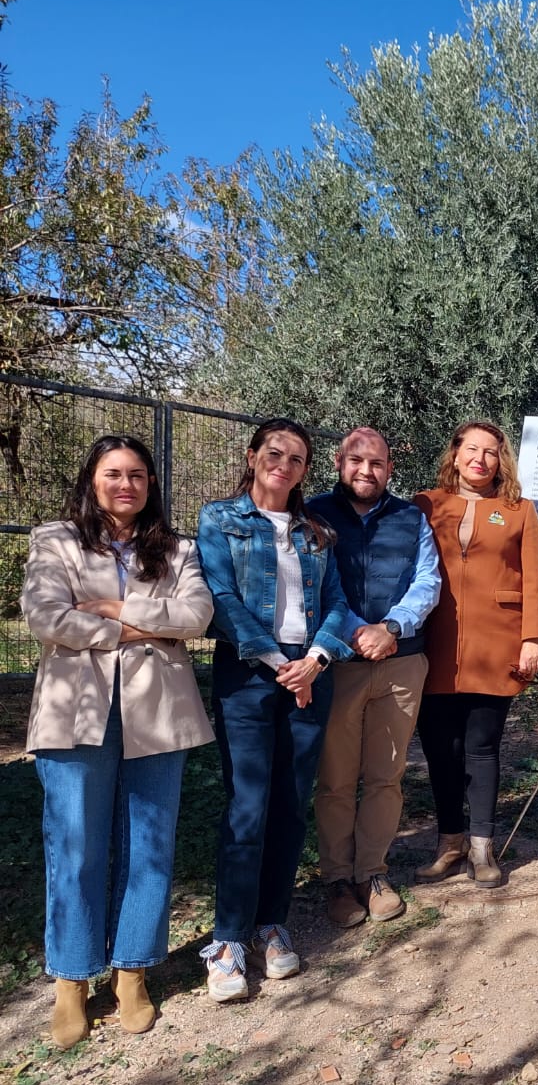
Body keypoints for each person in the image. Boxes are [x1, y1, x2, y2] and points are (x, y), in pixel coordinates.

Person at [22, 436, 215, 1047]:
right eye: (113, 474)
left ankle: (132, 971)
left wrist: (112, 608)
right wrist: (139, 625)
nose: (125, 484)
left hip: (158, 715)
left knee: (150, 845)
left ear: (151, 483)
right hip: (73, 716)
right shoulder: (55, 540)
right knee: (75, 846)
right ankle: (72, 981)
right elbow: (46, 616)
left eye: (137, 474)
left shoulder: (178, 548)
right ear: (93, 480)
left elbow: (198, 617)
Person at [197, 418, 351, 1002]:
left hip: (310, 674)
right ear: (253, 455)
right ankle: (229, 941)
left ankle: (272, 925)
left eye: (296, 459)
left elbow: (337, 602)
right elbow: (222, 599)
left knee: (290, 804)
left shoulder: (316, 531)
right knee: (247, 807)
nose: (283, 466)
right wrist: (276, 662)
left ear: (305, 470)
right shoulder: (220, 520)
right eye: (274, 454)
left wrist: (314, 659)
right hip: (249, 675)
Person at [307, 427, 441, 927]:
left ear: (389, 468)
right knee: (337, 780)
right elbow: (314, 584)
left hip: (400, 661)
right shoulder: (314, 513)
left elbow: (428, 581)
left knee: (387, 776)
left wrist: (391, 628)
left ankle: (372, 872)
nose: (367, 471)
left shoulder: (411, 518)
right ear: (340, 462)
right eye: (357, 460)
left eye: (378, 463)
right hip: (336, 665)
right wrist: (354, 632)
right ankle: (338, 880)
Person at [413, 421, 538, 889]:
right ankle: (449, 842)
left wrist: (533, 637)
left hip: (498, 643)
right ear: (455, 455)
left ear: (501, 460)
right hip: (434, 642)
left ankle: (481, 846)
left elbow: (535, 578)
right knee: (439, 749)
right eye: (471, 449)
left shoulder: (519, 511)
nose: (480, 459)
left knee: (481, 747)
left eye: (490, 452)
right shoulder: (424, 505)